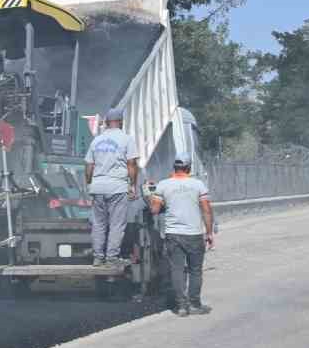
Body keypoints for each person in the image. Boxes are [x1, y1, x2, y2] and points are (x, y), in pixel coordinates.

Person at [148, 153, 215, 316]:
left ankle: (181, 306)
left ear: (175, 167)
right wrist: (209, 232)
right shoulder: (198, 185)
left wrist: (151, 196)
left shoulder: (163, 185)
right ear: (189, 167)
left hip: (173, 234)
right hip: (194, 234)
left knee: (177, 270)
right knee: (195, 270)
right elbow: (206, 210)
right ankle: (194, 304)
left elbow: (154, 210)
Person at [84, 106, 141, 266]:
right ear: (121, 122)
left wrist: (90, 184)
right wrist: (133, 185)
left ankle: (97, 257)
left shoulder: (96, 140)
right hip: (117, 187)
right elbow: (131, 164)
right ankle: (111, 258)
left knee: (99, 223)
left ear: (107, 123)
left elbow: (89, 165)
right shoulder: (126, 139)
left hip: (98, 187)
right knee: (116, 224)